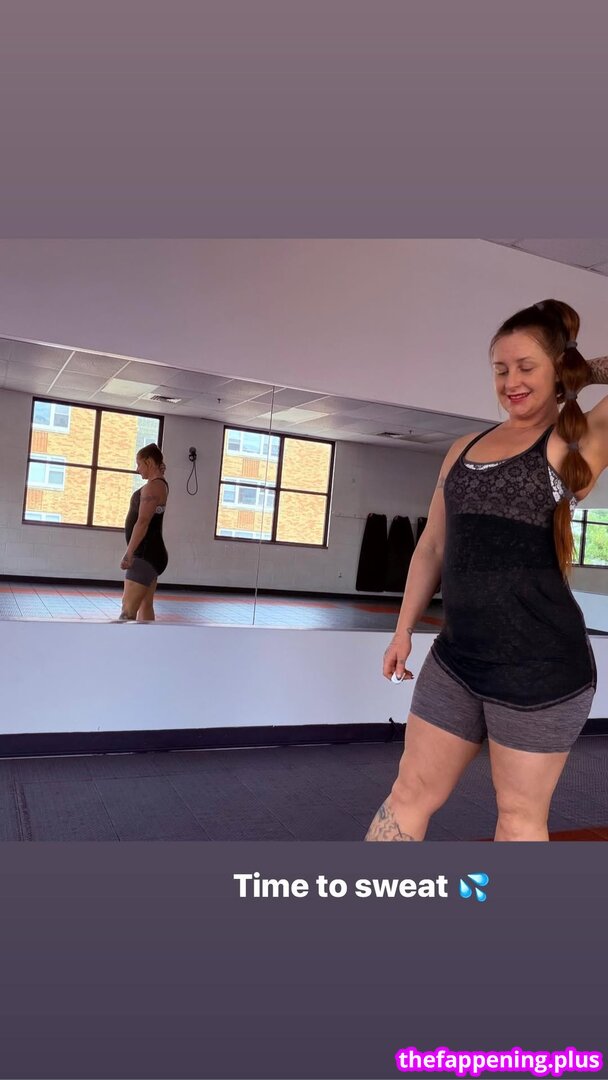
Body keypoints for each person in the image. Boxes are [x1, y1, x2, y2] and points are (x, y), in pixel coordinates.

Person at [365, 298, 608, 842]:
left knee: (518, 817)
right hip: (458, 659)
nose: (511, 382)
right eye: (500, 370)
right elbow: (431, 547)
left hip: (541, 669)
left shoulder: (574, 442)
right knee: (408, 793)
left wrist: (580, 370)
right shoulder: (462, 448)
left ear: (556, 369)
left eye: (526, 367)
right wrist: (403, 630)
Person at [118, 443, 169, 622]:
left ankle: (121, 641)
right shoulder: (158, 485)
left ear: (149, 462)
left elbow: (143, 522)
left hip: (145, 555)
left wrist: (129, 553)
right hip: (152, 554)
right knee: (145, 605)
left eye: (139, 464)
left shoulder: (153, 487)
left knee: (127, 611)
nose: (137, 469)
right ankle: (147, 640)